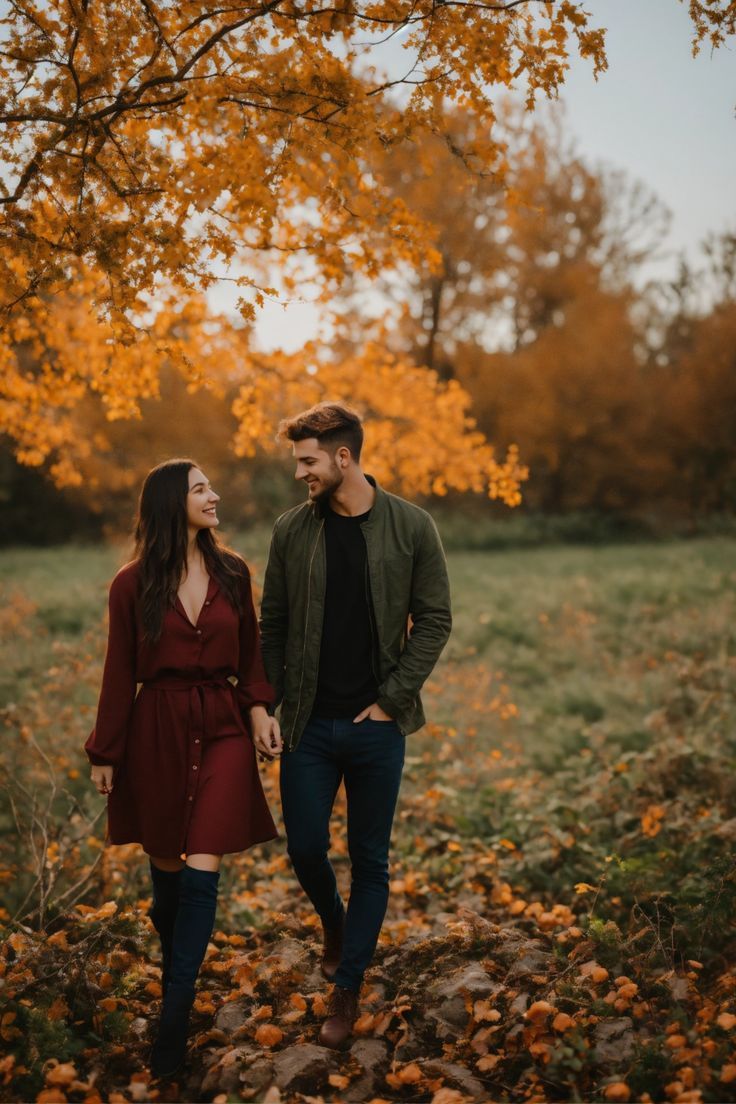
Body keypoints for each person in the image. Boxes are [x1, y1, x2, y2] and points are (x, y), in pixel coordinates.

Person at [259, 402, 452, 1048]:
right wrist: (267, 705)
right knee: (305, 848)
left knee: (371, 859)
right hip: (308, 724)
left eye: (308, 461)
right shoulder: (292, 532)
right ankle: (334, 923)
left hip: (377, 727)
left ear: (344, 458)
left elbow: (435, 618)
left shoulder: (412, 527)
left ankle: (348, 987)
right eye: (298, 462)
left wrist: (395, 698)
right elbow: (275, 627)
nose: (300, 473)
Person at [85, 458, 281, 1079]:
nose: (214, 495)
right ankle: (173, 953)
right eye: (201, 489)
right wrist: (105, 751)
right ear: (174, 503)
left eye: (211, 486)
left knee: (203, 866)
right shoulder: (131, 583)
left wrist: (257, 711)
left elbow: (250, 654)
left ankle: (173, 1024)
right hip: (157, 730)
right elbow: (120, 672)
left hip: (222, 723)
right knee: (168, 870)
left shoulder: (233, 571)